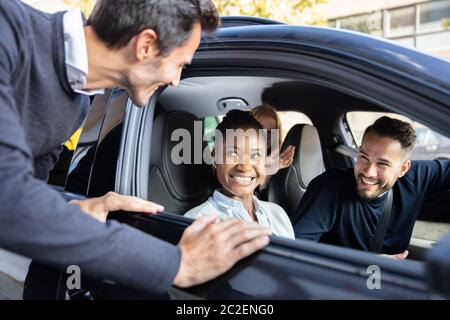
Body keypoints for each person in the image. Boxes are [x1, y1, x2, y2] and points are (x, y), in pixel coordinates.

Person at [0, 0, 271, 299]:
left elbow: (26, 194)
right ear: (145, 45)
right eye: (180, 64)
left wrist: (71, 211)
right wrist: (173, 264)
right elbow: (9, 196)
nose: (176, 80)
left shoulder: (76, 104)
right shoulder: (6, 33)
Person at [292, 116, 450, 259]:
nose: (368, 172)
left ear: (402, 169)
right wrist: (368, 265)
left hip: (391, 280)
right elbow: (294, 251)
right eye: (363, 157)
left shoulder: (416, 178)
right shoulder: (329, 187)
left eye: (382, 163)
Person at [184, 110, 295, 239]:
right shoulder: (197, 222)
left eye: (256, 155)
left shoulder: (278, 213)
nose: (245, 167)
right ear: (214, 158)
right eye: (233, 153)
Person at [251, 105, 295, 193]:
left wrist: (268, 171)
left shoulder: (276, 162)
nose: (265, 136)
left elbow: (261, 196)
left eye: (271, 132)